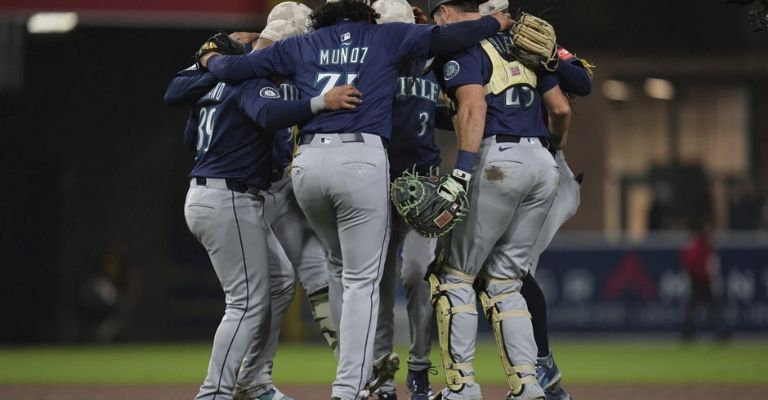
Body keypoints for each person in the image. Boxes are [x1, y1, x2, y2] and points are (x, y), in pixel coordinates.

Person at [196, 1, 513, 398]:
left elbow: (235, 70)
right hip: (359, 160)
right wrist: (494, 21)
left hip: (309, 163)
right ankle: (351, 387)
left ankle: (361, 378)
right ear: (366, 16)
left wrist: (209, 57)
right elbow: (451, 35)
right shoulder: (384, 36)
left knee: (338, 270)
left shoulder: (305, 42)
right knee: (364, 280)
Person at [176, 29, 360, 399]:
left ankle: (255, 381)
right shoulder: (253, 77)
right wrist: (319, 103)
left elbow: (189, 132)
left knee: (279, 281)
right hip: (229, 197)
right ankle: (213, 393)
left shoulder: (219, 80)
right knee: (245, 302)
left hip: (218, 192)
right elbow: (267, 112)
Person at [428, 0, 572, 399]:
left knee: (455, 277)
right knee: (506, 282)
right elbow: (560, 107)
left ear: (443, 13)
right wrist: (553, 150)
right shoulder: (520, 44)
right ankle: (528, 386)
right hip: (542, 164)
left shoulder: (463, 46)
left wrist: (462, 171)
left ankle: (461, 388)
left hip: (496, 160)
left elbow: (473, 105)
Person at [368, 2, 441, 400]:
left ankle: (418, 368)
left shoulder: (432, 60)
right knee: (376, 279)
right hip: (376, 180)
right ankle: (380, 372)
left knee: (416, 273)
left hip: (423, 182)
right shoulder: (366, 64)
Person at [680, 226, 728, 342]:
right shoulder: (701, 247)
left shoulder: (700, 247)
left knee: (701, 309)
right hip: (701, 282)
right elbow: (692, 263)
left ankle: (688, 333)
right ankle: (718, 333)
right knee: (708, 308)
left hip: (700, 282)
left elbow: (687, 261)